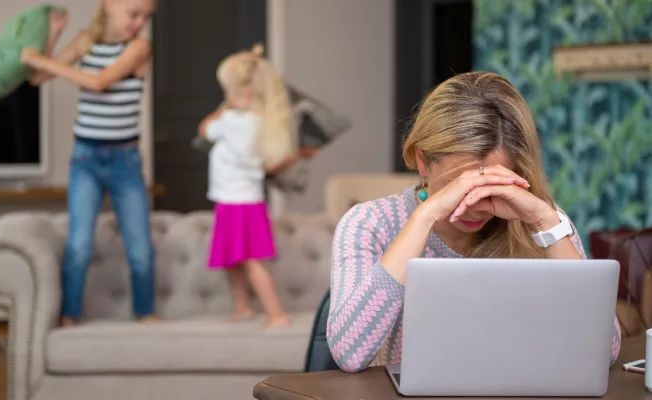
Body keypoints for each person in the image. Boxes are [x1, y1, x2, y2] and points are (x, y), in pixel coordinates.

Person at [327, 72, 622, 373]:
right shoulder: (370, 223)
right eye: (458, 186)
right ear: (422, 161)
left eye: (491, 188)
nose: (474, 207)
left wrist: (545, 221)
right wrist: (425, 217)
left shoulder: (544, 222)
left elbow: (606, 351)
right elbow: (350, 353)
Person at [20, 0, 158, 326]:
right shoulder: (85, 41)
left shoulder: (139, 48)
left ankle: (146, 314)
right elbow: (38, 77)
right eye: (134, 14)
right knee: (79, 244)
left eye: (145, 17)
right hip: (85, 159)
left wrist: (39, 59)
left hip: (126, 161)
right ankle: (69, 316)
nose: (139, 23)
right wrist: (53, 37)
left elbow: (98, 82)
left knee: (139, 247)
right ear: (109, 5)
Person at [197, 45, 291, 329]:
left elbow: (203, 130)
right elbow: (269, 164)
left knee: (249, 260)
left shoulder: (229, 121)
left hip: (235, 201)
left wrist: (225, 109)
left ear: (243, 94)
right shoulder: (262, 124)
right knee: (233, 259)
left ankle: (276, 313)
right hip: (245, 199)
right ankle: (243, 307)